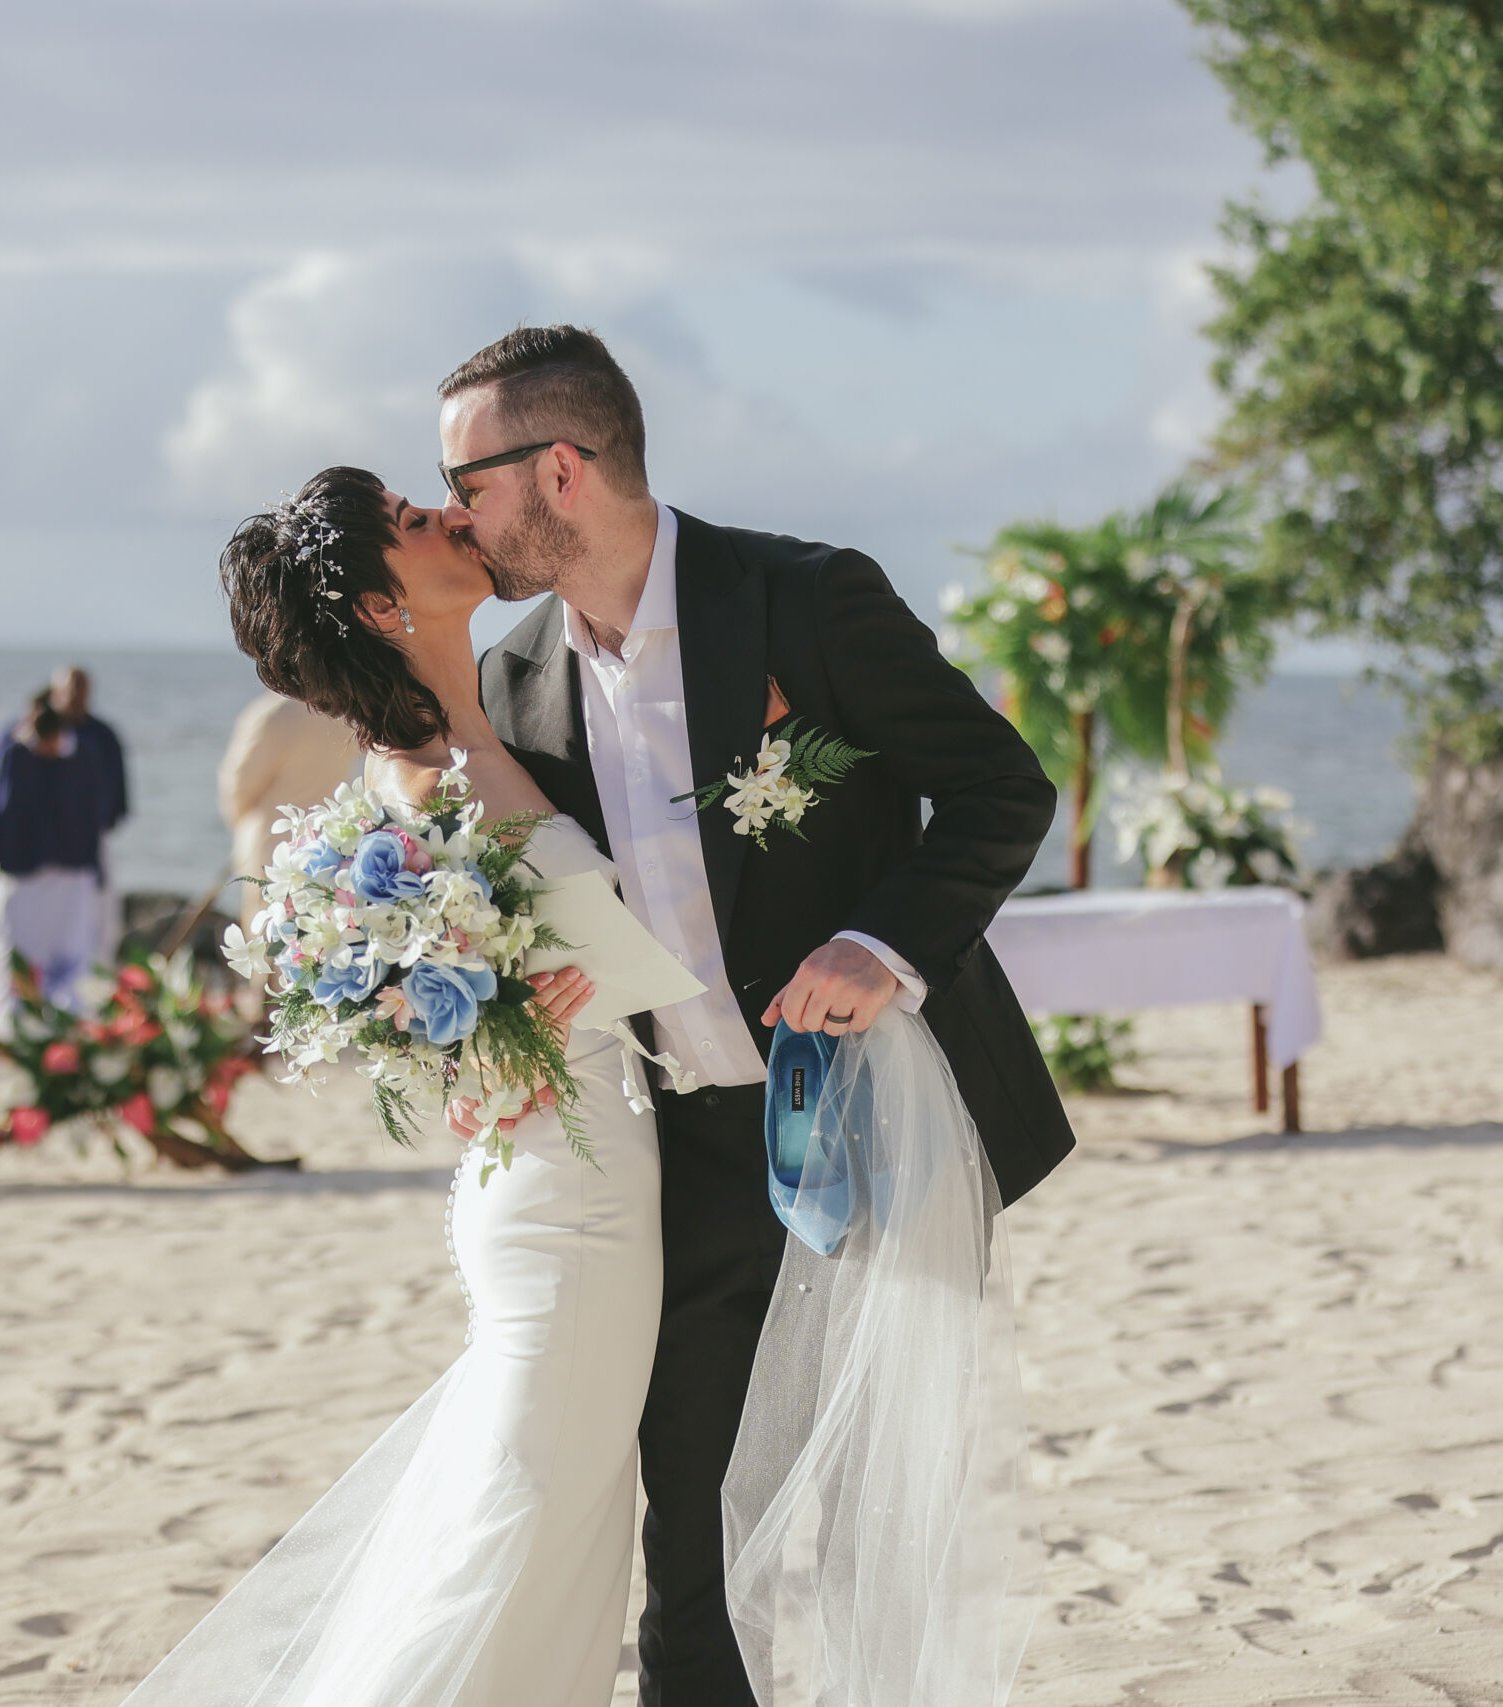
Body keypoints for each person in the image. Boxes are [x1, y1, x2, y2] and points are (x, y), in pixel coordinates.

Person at [448, 326, 1068, 1703]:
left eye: (466, 482)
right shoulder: (513, 684)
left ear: (562, 467)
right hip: (687, 1156)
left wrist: (876, 937)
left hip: (879, 1127)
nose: (451, 516)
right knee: (694, 1530)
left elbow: (999, 789)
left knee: (870, 1520)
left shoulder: (805, 598)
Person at [124, 469, 640, 1707]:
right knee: (510, 1555)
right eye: (416, 522)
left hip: (574, 1177)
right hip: (568, 1205)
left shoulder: (475, 729)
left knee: (542, 1551)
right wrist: (495, 1033)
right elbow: (526, 963)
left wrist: (491, 1030)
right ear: (375, 604)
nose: (448, 514)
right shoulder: (424, 781)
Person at [0, 698, 93, 1036]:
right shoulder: (12, 754)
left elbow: (94, 810)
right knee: (12, 942)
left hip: (68, 868)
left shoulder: (79, 757)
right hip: (20, 870)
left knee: (68, 944)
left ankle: (65, 1014)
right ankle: (10, 1019)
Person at [215, 688, 361, 886]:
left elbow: (237, 788)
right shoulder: (346, 710)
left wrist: (243, 835)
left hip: (271, 848)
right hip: (328, 848)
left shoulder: (272, 713)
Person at [40, 665, 131, 966]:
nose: (74, 699)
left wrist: (103, 821)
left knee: (99, 917)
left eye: (80, 692)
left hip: (92, 838)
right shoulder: (40, 733)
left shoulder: (101, 735)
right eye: (68, 691)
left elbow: (117, 789)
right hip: (46, 845)